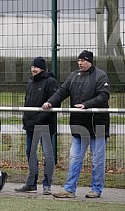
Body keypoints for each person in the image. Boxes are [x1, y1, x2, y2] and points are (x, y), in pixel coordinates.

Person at [42, 50, 110, 198]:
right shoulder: (73, 76)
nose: (80, 63)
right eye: (78, 60)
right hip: (79, 126)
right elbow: (62, 91)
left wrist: (86, 105)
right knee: (74, 159)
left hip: (97, 126)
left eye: (83, 60)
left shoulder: (100, 75)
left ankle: (96, 189)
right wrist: (50, 102)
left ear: (90, 61)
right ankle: (69, 189)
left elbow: (104, 96)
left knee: (97, 160)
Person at [14, 57, 58, 195]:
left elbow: (55, 103)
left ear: (43, 68)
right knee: (30, 153)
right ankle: (31, 183)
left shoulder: (51, 82)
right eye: (32, 67)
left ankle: (47, 184)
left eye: (36, 67)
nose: (33, 69)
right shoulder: (30, 82)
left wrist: (39, 119)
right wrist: (27, 119)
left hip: (44, 125)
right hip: (30, 125)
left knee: (48, 154)